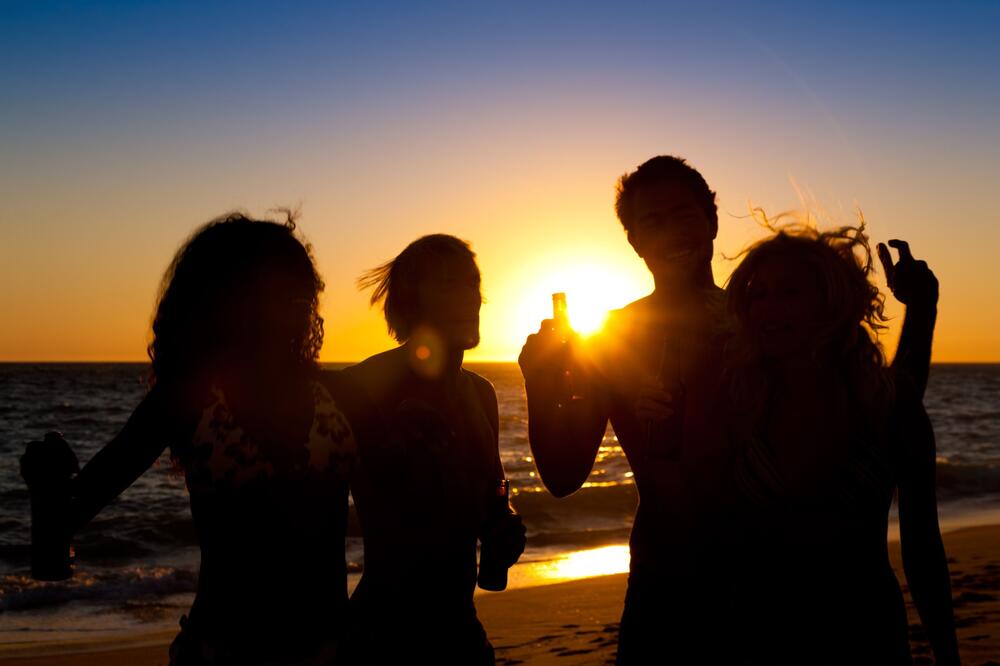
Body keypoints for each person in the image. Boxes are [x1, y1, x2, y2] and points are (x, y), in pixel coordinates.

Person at [518, 155, 943, 663]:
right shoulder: (609, 340)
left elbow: (878, 409)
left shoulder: (761, 322)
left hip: (767, 589)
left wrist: (921, 313)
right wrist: (540, 385)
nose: (673, 230)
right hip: (664, 581)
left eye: (685, 213)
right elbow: (564, 475)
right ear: (632, 239)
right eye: (652, 220)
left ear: (712, 220)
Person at [23, 213, 366, 665]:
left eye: (300, 289)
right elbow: (72, 513)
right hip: (221, 651)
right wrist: (46, 488)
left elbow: (397, 512)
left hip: (332, 653)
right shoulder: (187, 400)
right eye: (275, 287)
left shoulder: (340, 396)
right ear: (226, 297)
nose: (295, 303)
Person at [721, 222, 959, 665]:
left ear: (832, 303)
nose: (771, 308)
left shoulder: (891, 406)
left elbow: (923, 547)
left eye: (791, 292)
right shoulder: (731, 403)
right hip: (755, 637)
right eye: (760, 293)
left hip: (866, 635)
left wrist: (948, 654)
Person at [343, 234, 526, 665]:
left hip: (461, 632)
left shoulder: (481, 394)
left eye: (471, 284)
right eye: (447, 285)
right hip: (382, 637)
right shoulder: (363, 387)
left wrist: (505, 529)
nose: (467, 297)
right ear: (410, 303)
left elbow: (489, 504)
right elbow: (311, 511)